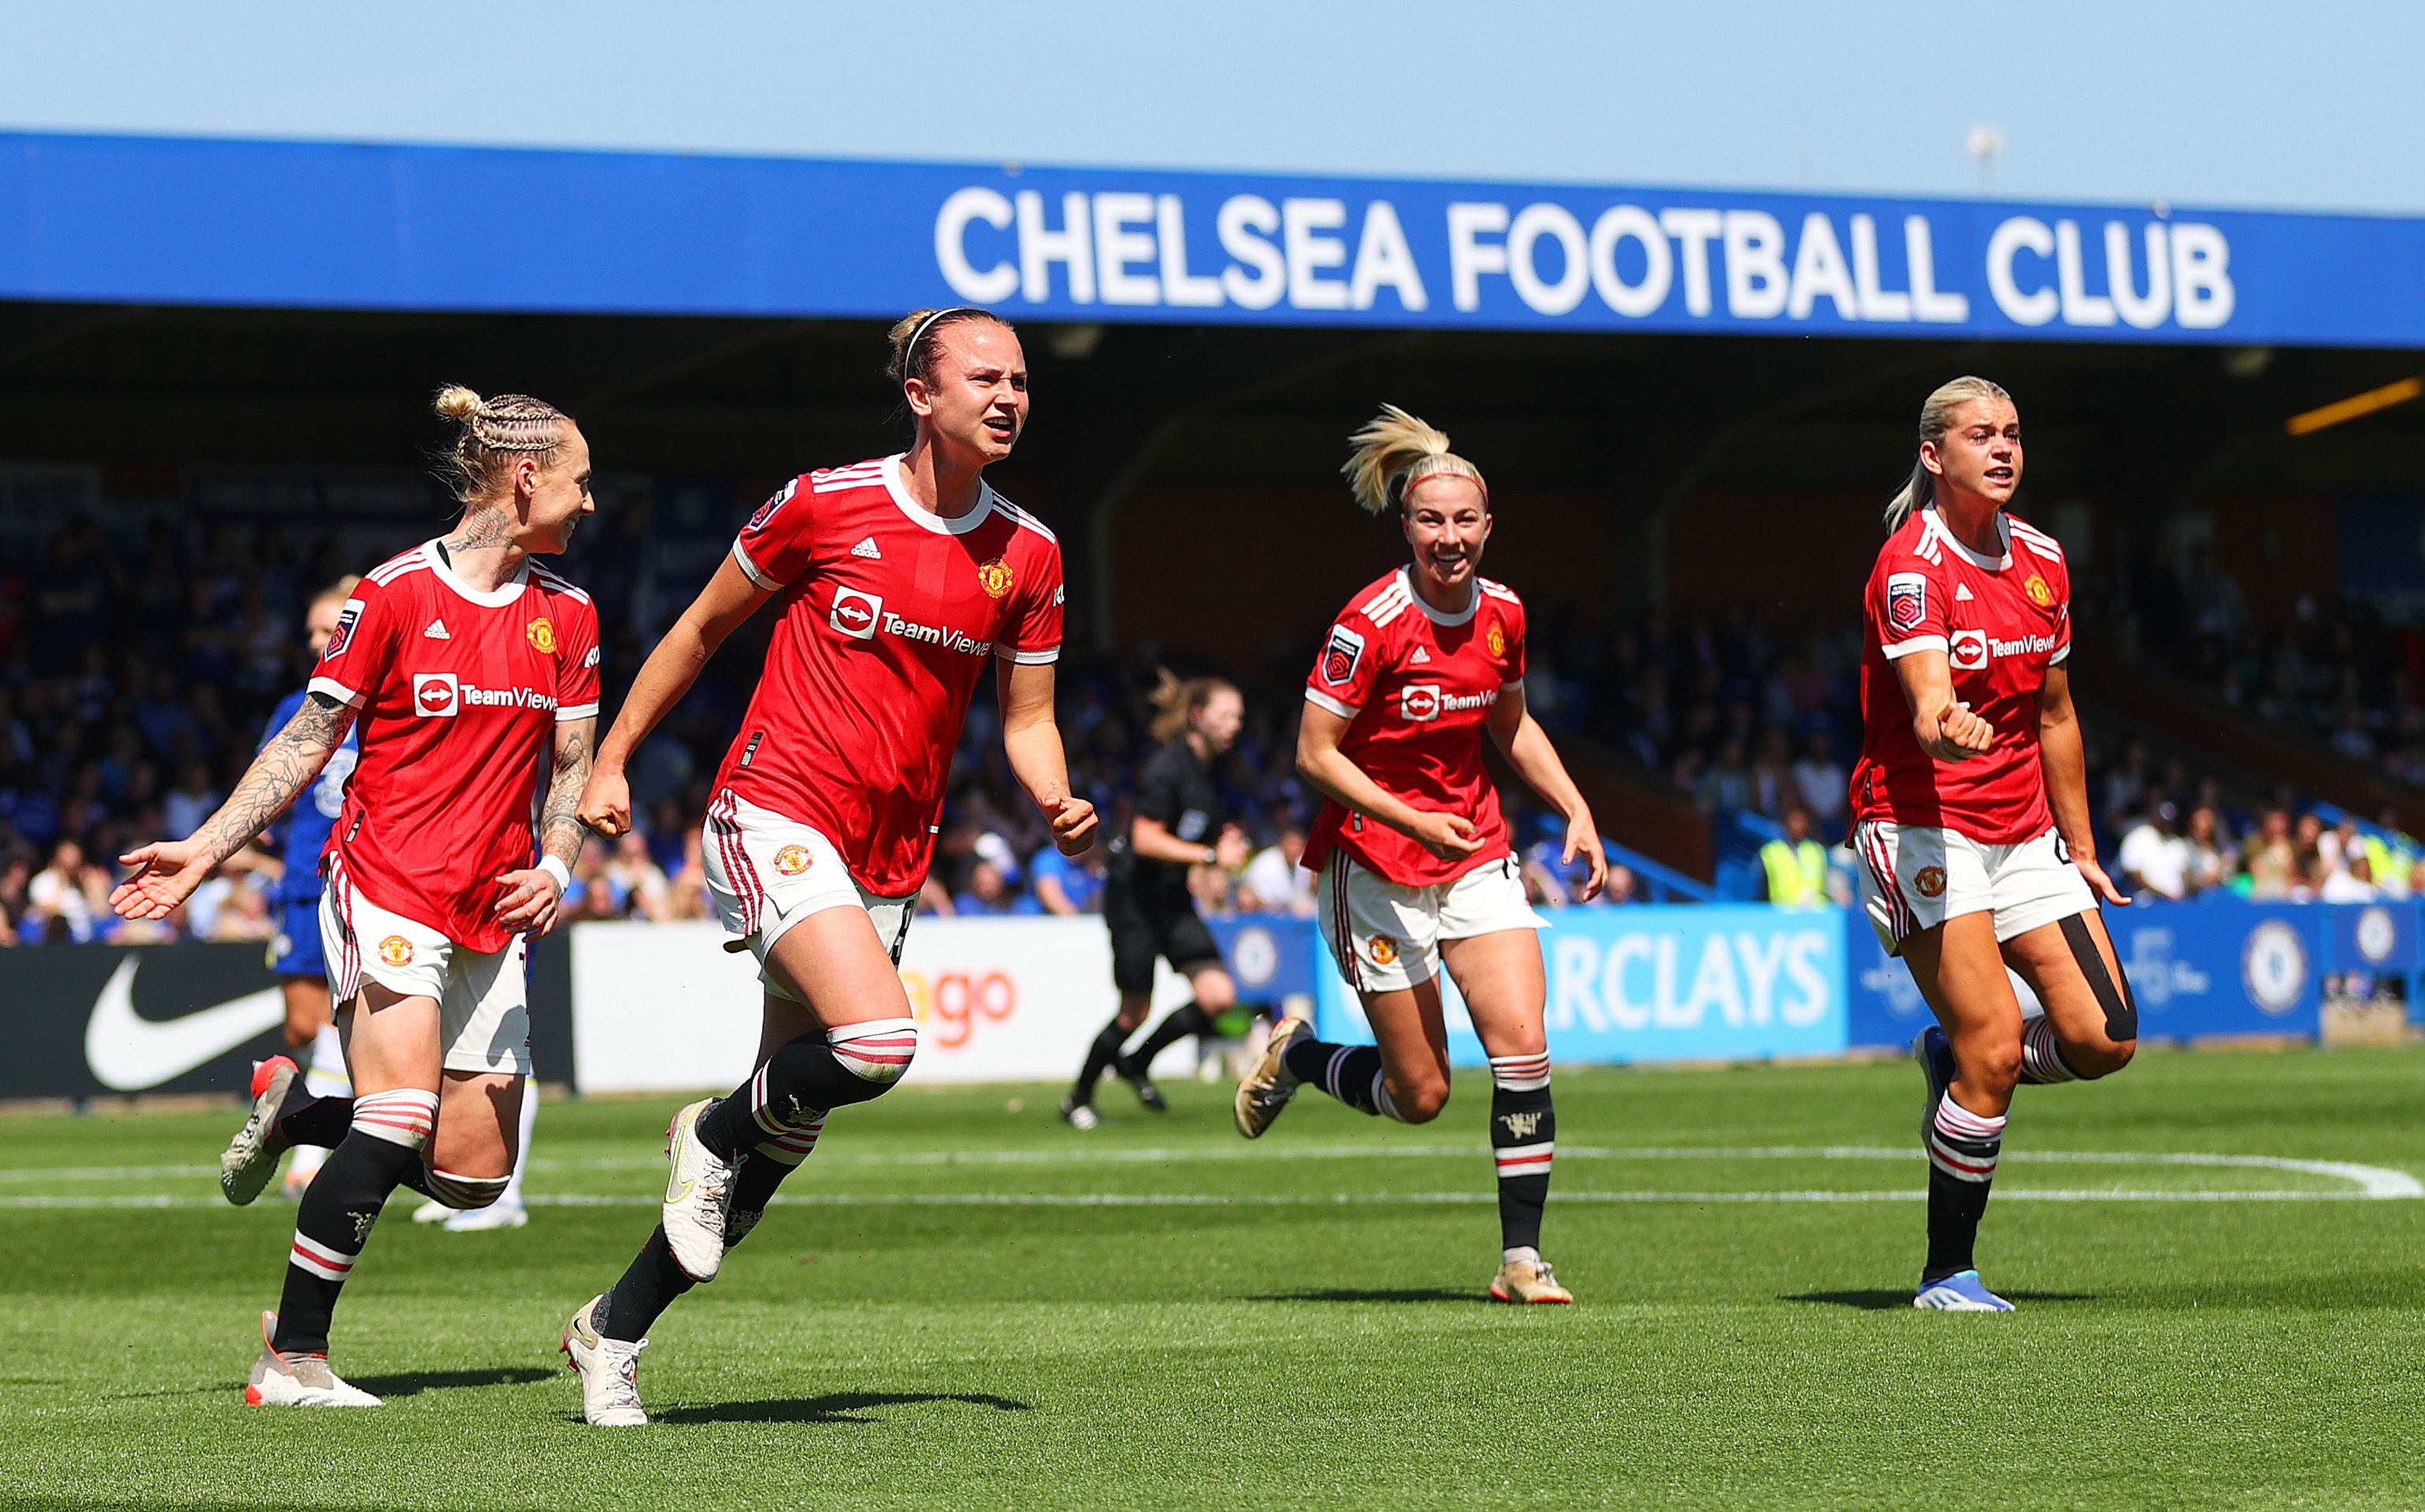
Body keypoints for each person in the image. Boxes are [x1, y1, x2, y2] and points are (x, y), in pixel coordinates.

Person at [558, 307, 1095, 1426]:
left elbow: (1028, 718)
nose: (1009, 397)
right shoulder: (821, 501)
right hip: (774, 805)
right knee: (879, 1040)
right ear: (920, 393)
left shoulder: (1031, 552)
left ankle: (612, 1328)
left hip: (888, 855)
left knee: (777, 1148)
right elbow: (702, 627)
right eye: (985, 378)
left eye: (1022, 381)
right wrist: (608, 759)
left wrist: (1055, 797)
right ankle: (704, 1124)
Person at [111, 386, 600, 1404]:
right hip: (385, 882)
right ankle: (293, 1357)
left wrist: (557, 864)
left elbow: (571, 768)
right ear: (526, 479)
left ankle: (299, 1113)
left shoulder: (572, 614)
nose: (589, 503)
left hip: (491, 907)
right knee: (399, 1110)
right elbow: (306, 741)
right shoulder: (391, 595)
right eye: (580, 481)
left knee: (474, 1173)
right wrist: (205, 847)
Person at [1231, 405, 1606, 1305]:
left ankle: (1522, 1262)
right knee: (1422, 1095)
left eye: (1465, 521)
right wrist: (1408, 817)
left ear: (1487, 525)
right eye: (1431, 521)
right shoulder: (1371, 622)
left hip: (1475, 853)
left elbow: (1512, 729)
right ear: (1406, 527)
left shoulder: (1506, 613)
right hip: (1374, 869)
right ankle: (1300, 1059)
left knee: (1523, 1047)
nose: (1450, 538)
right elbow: (1313, 753)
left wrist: (1577, 809)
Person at [1848, 376, 2136, 1314]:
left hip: (2023, 832)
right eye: (1982, 436)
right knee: (1997, 1045)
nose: (2004, 449)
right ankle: (1947, 1273)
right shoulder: (1909, 565)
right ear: (1935, 456)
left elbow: (2056, 715)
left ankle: (1955, 1062)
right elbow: (1930, 702)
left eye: (2013, 433)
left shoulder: (2045, 558)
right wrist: (1945, 723)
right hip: (1921, 824)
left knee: (2106, 1038)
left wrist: (2082, 844)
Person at [1064, 672, 1247, 1129]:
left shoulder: (1212, 770)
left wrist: (1219, 847)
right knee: (1135, 1010)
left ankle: (1137, 1062)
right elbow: (1145, 839)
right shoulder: (1168, 767)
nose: (1235, 726)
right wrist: (1209, 855)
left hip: (1169, 897)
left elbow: (1194, 831)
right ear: (1198, 716)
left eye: (1239, 718)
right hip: (1135, 900)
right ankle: (1078, 1100)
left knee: (1218, 997)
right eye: (1226, 716)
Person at [245, 576, 362, 1201]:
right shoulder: (298, 704)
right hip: (300, 882)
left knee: (346, 1020)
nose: (318, 641)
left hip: (366, 876)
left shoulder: (383, 705)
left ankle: (310, 1157)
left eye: (330, 630)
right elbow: (269, 783)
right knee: (304, 1023)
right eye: (314, 631)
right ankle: (316, 1118)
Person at [2115, 796, 2188, 901]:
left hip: (2176, 901)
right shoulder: (2137, 836)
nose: (2165, 823)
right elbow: (2134, 875)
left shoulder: (2176, 842)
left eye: (2168, 820)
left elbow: (2186, 874)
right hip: (2148, 900)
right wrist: (2163, 895)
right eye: (2162, 819)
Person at [1758, 802, 1830, 906]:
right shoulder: (1771, 851)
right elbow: (1762, 888)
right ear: (1786, 822)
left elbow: (1825, 883)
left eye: (1801, 820)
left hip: (1814, 913)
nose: (1797, 824)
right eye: (1794, 820)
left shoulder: (1817, 850)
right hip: (1782, 913)